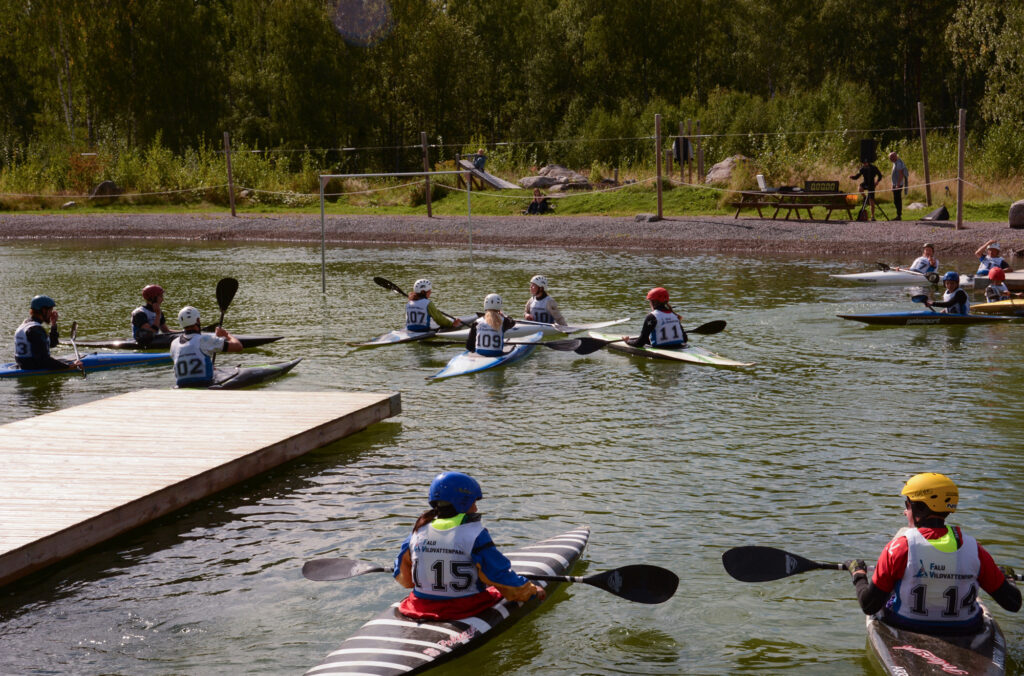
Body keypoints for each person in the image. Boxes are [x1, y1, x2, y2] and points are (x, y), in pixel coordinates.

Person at [845, 473, 1021, 635]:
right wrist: (1008, 579)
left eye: (907, 505)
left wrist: (859, 575)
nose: (905, 511)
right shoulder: (975, 549)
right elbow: (1013, 603)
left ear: (919, 508)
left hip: (906, 625)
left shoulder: (899, 547)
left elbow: (869, 605)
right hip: (965, 629)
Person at [393, 471, 546, 621]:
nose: (476, 508)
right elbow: (498, 574)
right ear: (463, 502)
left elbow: (403, 576)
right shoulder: (475, 533)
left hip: (419, 605)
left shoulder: (418, 531)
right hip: (463, 607)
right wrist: (530, 591)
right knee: (493, 585)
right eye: (474, 502)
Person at [170, 305, 242, 387]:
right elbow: (238, 346)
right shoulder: (204, 339)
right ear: (197, 320)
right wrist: (225, 334)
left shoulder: (174, 343)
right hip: (204, 385)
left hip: (181, 387)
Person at [14, 295, 81, 371]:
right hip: (33, 367)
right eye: (50, 310)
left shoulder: (26, 324)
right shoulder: (36, 330)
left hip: (23, 364)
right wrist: (69, 367)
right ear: (43, 310)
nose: (51, 313)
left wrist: (53, 325)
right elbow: (44, 360)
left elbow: (52, 344)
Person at [888, 151, 909, 221]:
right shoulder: (895, 163)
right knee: (895, 200)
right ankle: (898, 214)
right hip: (895, 184)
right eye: (890, 157)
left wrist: (897, 185)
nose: (891, 159)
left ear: (896, 156)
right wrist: (892, 185)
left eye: (892, 157)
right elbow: (894, 175)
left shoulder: (898, 163)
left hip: (898, 184)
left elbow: (901, 175)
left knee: (897, 200)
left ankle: (899, 215)